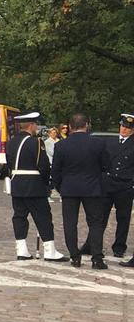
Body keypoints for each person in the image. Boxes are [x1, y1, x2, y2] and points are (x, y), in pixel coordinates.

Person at [51, 112, 112, 268]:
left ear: (70, 127)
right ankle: (97, 258)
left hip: (69, 188)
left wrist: (60, 187)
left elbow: (56, 171)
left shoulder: (61, 145)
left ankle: (75, 256)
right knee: (96, 223)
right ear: (87, 125)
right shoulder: (98, 143)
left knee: (70, 223)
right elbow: (106, 166)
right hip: (92, 188)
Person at [6, 110, 66, 262]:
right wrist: (47, 184)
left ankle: (21, 249)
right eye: (36, 124)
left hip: (17, 185)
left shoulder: (11, 142)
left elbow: (9, 164)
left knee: (19, 217)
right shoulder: (36, 142)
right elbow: (44, 166)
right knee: (43, 217)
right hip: (34, 185)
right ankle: (49, 250)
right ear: (31, 125)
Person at [103, 113, 133, 264]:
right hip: (108, 185)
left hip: (125, 186)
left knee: (123, 219)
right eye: (122, 126)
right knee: (100, 217)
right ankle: (94, 245)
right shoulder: (110, 142)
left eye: (128, 128)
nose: (124, 130)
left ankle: (119, 247)